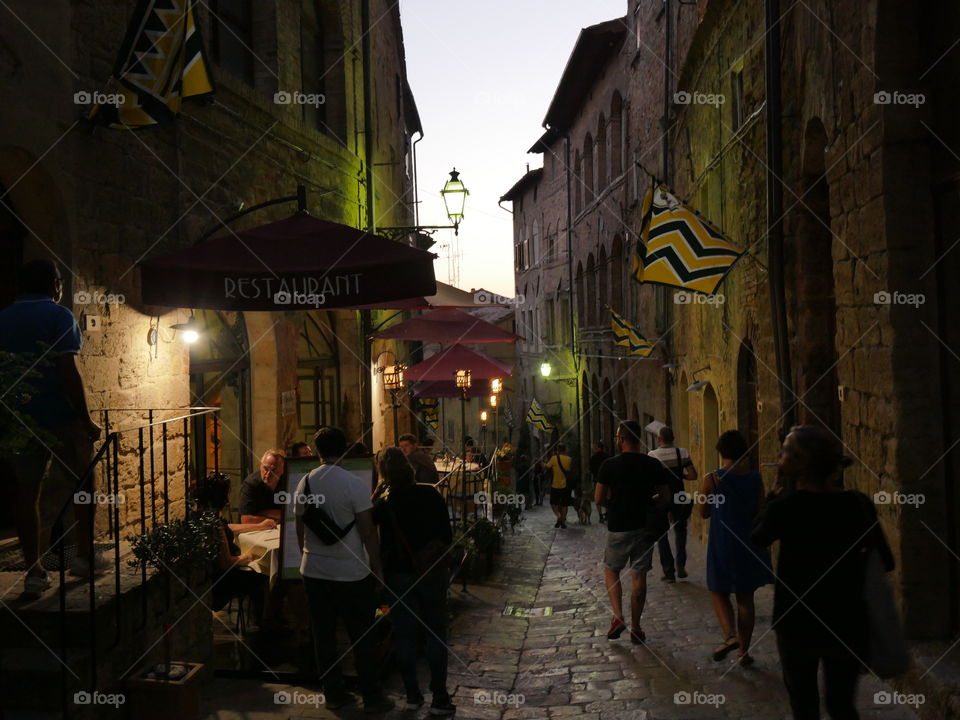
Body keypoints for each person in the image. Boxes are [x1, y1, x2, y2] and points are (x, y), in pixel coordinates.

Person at [753, 425, 893, 719]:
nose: (779, 456)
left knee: (804, 706)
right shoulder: (857, 504)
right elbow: (886, 560)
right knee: (842, 705)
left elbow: (757, 538)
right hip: (846, 619)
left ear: (801, 462)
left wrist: (772, 498)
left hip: (797, 621)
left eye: (785, 451)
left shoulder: (786, 508)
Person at [0, 259, 103, 596]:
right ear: (53, 284)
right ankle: (83, 557)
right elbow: (67, 371)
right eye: (60, 280)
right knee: (84, 482)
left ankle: (33, 570)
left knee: (26, 493)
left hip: (20, 422)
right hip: (61, 418)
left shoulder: (3, 319)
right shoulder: (59, 316)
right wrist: (84, 418)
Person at [295, 426, 394, 713]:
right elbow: (367, 531)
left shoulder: (305, 483)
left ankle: (334, 693)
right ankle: (372, 696)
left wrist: (308, 553)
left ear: (316, 452)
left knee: (323, 635)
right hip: (351, 572)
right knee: (361, 636)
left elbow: (300, 528)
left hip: (314, 570)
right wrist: (377, 567)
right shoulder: (353, 484)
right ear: (346, 450)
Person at [371, 448, 456, 716]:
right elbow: (447, 534)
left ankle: (411, 695)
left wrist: (377, 490)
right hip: (431, 573)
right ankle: (440, 698)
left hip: (399, 575)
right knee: (435, 633)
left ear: (384, 474)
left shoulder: (384, 504)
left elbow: (366, 522)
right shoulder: (430, 493)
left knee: (405, 635)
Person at [595, 421, 674, 644]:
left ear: (621, 440)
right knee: (638, 575)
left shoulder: (609, 465)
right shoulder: (652, 464)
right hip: (644, 526)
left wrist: (615, 502)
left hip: (618, 525)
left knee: (611, 570)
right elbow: (666, 496)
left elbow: (598, 499)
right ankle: (637, 628)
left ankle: (618, 616)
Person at [702, 430, 773, 666]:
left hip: (723, 540)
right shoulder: (755, 479)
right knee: (746, 597)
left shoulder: (712, 479)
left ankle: (730, 636)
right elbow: (759, 511)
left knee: (718, 589)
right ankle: (744, 652)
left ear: (721, 452)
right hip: (748, 541)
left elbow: (703, 512)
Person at [194, 473, 270, 625]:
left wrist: (258, 526)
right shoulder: (214, 523)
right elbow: (226, 562)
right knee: (264, 575)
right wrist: (249, 557)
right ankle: (265, 623)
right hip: (223, 581)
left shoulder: (202, 517)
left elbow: (228, 528)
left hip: (212, 577)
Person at [648, 426, 698, 582]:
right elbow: (692, 475)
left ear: (659, 439)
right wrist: (680, 475)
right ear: (673, 438)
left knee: (662, 534)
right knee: (680, 530)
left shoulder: (652, 455)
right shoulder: (682, 453)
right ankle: (681, 564)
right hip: (679, 496)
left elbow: (650, 479)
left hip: (661, 498)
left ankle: (669, 572)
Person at [239, 450, 285, 524]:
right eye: (265, 468)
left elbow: (292, 514)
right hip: (257, 530)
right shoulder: (251, 484)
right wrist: (278, 518)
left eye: (273, 470)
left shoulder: (287, 481)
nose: (268, 474)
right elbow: (246, 520)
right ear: (260, 466)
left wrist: (263, 512)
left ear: (283, 470)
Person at [545, 444, 573, 529]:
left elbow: (546, 467)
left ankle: (559, 516)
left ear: (558, 450)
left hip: (555, 485)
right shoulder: (569, 459)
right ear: (565, 450)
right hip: (566, 485)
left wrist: (544, 462)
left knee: (553, 503)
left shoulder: (554, 458)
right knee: (565, 504)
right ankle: (563, 521)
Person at [589, 441, 611, 522]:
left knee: (597, 498)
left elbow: (591, 469)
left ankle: (600, 515)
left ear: (598, 448)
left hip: (597, 480)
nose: (594, 449)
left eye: (595, 447)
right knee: (607, 496)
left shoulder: (593, 457)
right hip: (607, 480)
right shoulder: (607, 457)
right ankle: (607, 513)